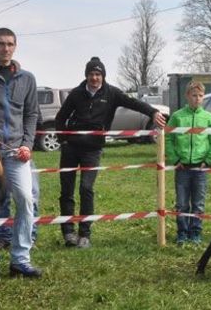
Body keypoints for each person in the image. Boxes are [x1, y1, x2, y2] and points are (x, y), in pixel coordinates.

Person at [56, 56, 167, 248]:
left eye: (98, 74)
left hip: (93, 149)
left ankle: (85, 234)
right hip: (71, 148)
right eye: (91, 74)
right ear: (86, 75)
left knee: (86, 189)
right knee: (67, 191)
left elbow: (134, 103)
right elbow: (60, 118)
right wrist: (63, 141)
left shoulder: (112, 93)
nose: (94, 78)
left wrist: (153, 112)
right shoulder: (76, 93)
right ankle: (68, 232)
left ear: (103, 76)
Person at [0, 27, 41, 277]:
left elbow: (32, 114)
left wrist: (28, 143)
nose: (5, 48)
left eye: (10, 44)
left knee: (25, 200)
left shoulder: (27, 79)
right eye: (1, 44)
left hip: (16, 152)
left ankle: (20, 259)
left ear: (15, 46)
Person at [165, 81, 211, 245]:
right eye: (194, 95)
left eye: (200, 96)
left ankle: (196, 232)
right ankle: (182, 232)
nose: (197, 99)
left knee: (198, 203)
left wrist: (208, 160)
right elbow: (168, 138)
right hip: (182, 168)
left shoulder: (209, 118)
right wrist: (175, 159)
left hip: (200, 168)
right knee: (181, 203)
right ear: (187, 96)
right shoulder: (177, 117)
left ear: (203, 97)